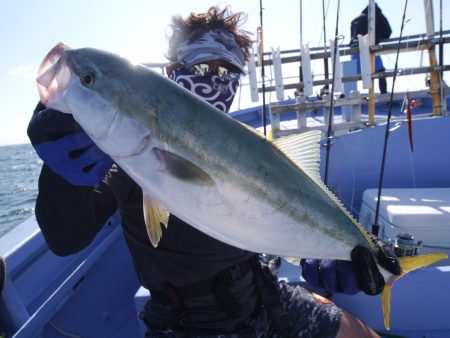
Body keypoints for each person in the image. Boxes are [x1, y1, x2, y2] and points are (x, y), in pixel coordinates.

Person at [28, 6, 384, 338]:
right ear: (172, 73)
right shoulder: (127, 157)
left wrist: (330, 252)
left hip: (265, 292)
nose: (215, 80)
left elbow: (284, 210)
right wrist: (63, 177)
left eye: (228, 71)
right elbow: (66, 239)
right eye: (200, 68)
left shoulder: (251, 151)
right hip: (187, 322)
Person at [350, 3, 392, 94]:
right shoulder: (377, 16)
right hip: (369, 49)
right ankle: (384, 93)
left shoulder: (355, 20)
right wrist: (379, 37)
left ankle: (348, 95)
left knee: (352, 74)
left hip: (354, 51)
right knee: (380, 71)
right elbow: (388, 31)